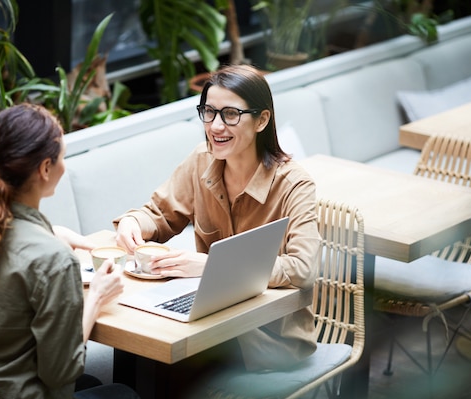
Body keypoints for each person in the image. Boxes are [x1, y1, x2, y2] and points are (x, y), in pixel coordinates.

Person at [114, 64, 321, 372]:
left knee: (164, 365)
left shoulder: (294, 184)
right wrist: (133, 223)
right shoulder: (202, 160)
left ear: (262, 120)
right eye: (209, 112)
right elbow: (158, 214)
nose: (216, 126)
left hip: (270, 338)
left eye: (231, 115)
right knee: (139, 341)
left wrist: (212, 266)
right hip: (211, 321)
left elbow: (303, 269)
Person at [0, 103, 141, 399]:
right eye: (63, 156)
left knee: (93, 382)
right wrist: (97, 298)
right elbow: (61, 372)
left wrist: (50, 232)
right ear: (45, 169)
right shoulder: (53, 259)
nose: (65, 165)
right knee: (125, 396)